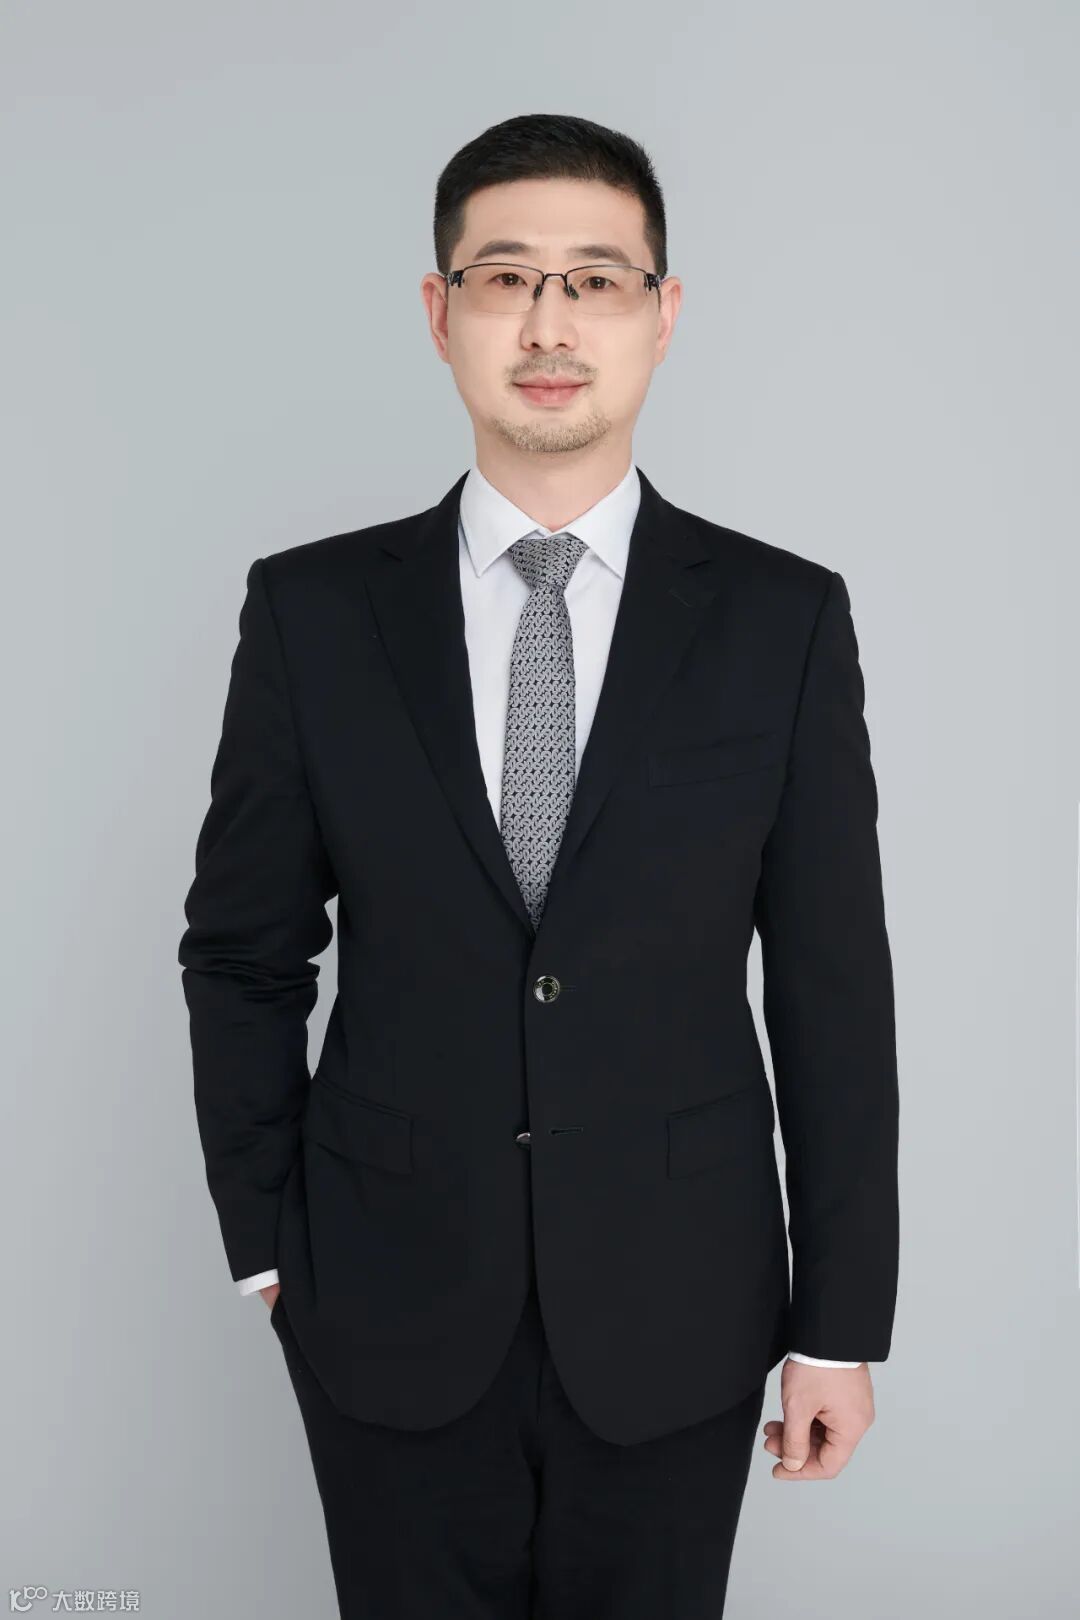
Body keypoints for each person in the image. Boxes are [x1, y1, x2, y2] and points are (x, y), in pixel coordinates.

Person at [178, 110, 899, 1619]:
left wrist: (838, 1323)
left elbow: (833, 990)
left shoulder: (782, 621)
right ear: (440, 311)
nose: (550, 325)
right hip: (382, 1293)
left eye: (597, 281)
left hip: (684, 1306)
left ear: (663, 314)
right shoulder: (313, 613)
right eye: (506, 278)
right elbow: (243, 949)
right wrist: (267, 1247)